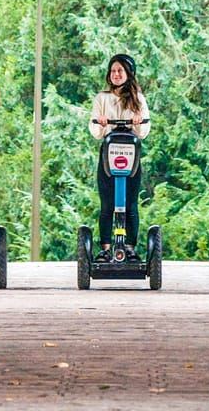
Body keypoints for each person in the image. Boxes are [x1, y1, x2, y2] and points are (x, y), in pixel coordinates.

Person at [88, 54, 151, 263]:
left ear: (129, 74)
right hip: (108, 154)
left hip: (131, 155)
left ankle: (130, 248)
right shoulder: (102, 98)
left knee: (130, 204)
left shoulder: (138, 99)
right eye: (113, 71)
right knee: (107, 204)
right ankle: (106, 248)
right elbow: (95, 129)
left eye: (120, 71)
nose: (116, 74)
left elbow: (143, 131)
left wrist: (138, 121)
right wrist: (103, 123)